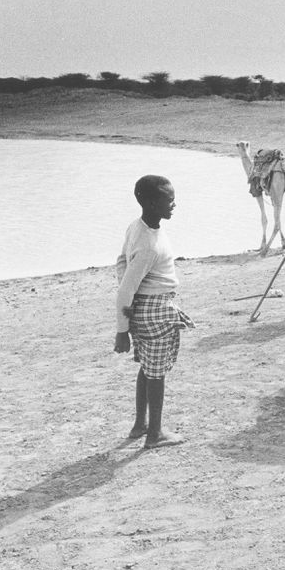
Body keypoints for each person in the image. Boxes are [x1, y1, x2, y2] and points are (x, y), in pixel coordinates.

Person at [114, 175, 195, 450]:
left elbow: (121, 263)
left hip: (145, 307)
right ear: (150, 203)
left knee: (147, 368)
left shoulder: (137, 227)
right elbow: (125, 290)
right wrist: (121, 331)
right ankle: (155, 433)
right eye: (168, 200)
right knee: (157, 373)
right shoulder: (149, 245)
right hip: (155, 309)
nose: (174, 204)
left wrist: (130, 315)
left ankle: (140, 425)